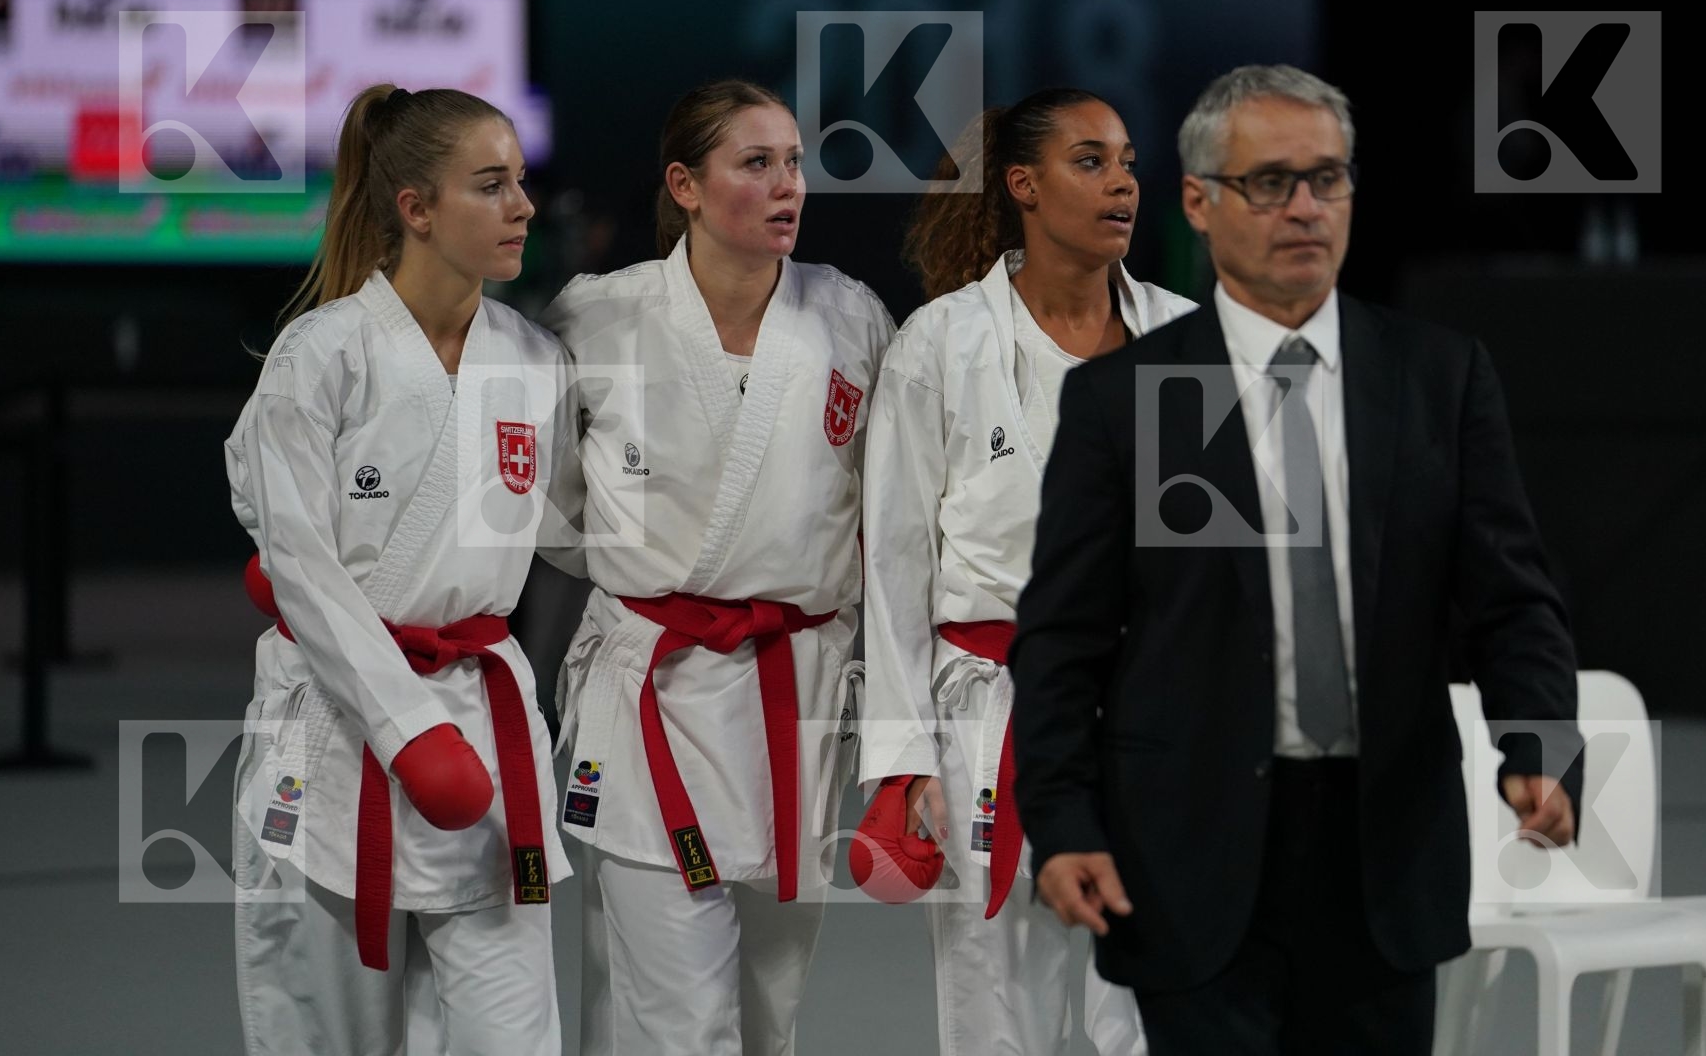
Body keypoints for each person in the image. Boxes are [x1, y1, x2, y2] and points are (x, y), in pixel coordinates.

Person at [1009, 64, 1584, 1054]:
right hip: (1189, 852)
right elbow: (1063, 639)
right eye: (1271, 182)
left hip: (1385, 854)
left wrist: (1537, 746)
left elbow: (1513, 599)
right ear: (1199, 202)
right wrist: (1061, 821)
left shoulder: (1437, 377)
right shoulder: (1133, 397)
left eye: (1329, 178)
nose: (1307, 207)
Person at [542, 79, 896, 1056]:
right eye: (756, 164)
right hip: (652, 688)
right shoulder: (595, 319)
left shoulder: (851, 318)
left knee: (769, 1017)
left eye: (794, 163)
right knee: (676, 1022)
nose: (788, 185)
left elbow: (890, 517)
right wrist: (639, 573)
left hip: (796, 699)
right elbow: (539, 502)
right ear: (685, 187)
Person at [224, 84, 578, 1055]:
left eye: (522, 183)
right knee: (325, 1038)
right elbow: (295, 554)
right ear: (416, 209)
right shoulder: (319, 355)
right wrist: (404, 728)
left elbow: (589, 533)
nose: (523, 206)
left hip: (484, 730)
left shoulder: (537, 361)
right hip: (336, 738)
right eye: (491, 185)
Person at [857, 87, 1188, 1055]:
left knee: (1159, 1012)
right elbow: (894, 560)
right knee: (998, 1017)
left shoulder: (1186, 340)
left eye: (1128, 160)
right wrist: (904, 758)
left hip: (1151, 715)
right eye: (1090, 161)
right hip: (989, 718)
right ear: (1022, 186)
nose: (1122, 182)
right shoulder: (943, 345)